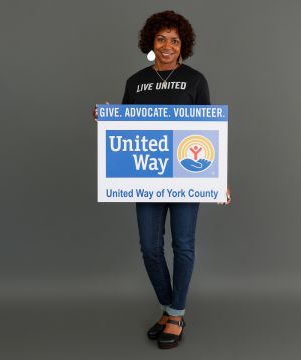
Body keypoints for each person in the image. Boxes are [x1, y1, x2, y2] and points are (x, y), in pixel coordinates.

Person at [94, 10, 231, 349]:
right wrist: (106, 119)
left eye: (175, 40)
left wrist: (218, 179)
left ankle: (176, 314)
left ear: (183, 44)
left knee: (182, 246)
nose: (168, 46)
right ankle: (170, 310)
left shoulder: (195, 80)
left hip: (188, 176)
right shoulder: (135, 81)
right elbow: (124, 130)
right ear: (150, 43)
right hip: (147, 177)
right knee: (150, 248)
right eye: (161, 39)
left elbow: (209, 133)